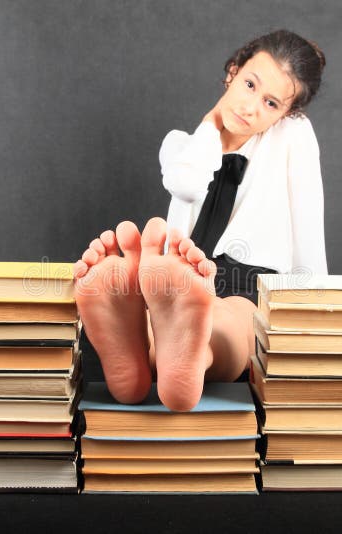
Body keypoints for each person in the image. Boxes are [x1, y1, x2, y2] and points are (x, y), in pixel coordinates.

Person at [73, 29, 328, 411]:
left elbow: (308, 224)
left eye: (271, 103)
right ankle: (145, 341)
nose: (251, 107)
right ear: (232, 71)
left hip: (251, 277)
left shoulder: (293, 135)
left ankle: (165, 350)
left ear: (286, 114)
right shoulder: (181, 145)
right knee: (181, 320)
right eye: (249, 84)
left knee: (232, 320)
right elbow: (186, 184)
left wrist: (317, 310)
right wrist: (211, 124)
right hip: (184, 271)